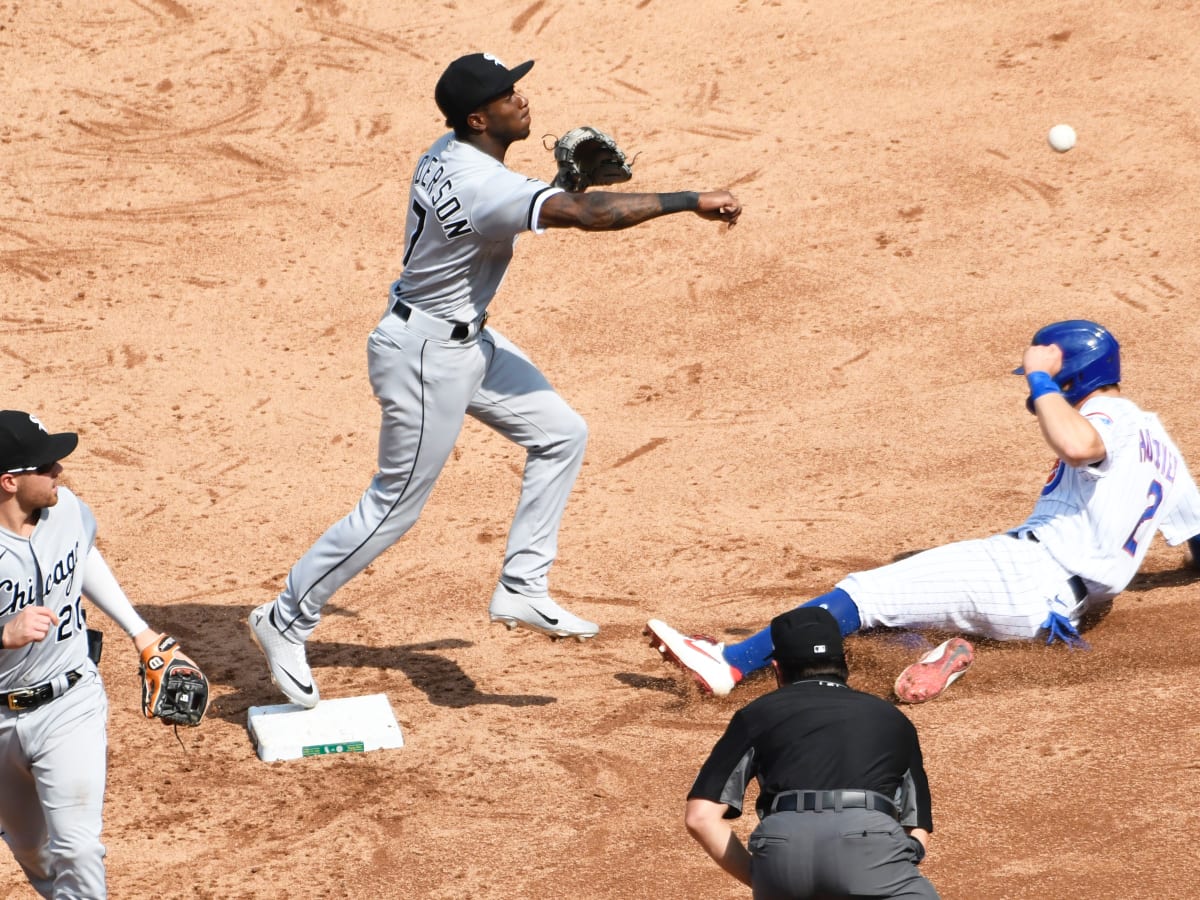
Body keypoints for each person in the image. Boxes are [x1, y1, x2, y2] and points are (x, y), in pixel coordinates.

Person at [250, 52, 743, 708]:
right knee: (393, 505)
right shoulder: (484, 187)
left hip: (461, 338)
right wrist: (688, 200)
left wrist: (559, 189)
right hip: (427, 358)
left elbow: (518, 200)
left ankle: (522, 588)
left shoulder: (449, 151)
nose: (523, 101)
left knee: (561, 433)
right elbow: (587, 218)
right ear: (478, 117)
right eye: (507, 96)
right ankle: (285, 617)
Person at [647, 320, 1200, 702]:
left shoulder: (1112, 417)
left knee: (857, 595)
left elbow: (1079, 445)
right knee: (865, 624)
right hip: (1060, 615)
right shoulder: (1163, 449)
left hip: (1023, 573)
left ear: (1071, 378)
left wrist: (1038, 378)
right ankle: (937, 652)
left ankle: (730, 661)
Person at [0, 410, 202, 898]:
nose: (59, 474)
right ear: (9, 481)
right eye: (45, 466)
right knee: (35, 852)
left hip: (70, 702)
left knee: (79, 849)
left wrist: (140, 631)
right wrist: (2, 637)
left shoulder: (66, 509)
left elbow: (83, 552)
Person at [686, 605, 938, 899]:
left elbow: (700, 818)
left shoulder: (755, 714)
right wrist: (897, 855)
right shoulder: (891, 718)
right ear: (844, 662)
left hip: (782, 849)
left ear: (778, 669)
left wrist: (765, 879)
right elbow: (916, 823)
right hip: (870, 843)